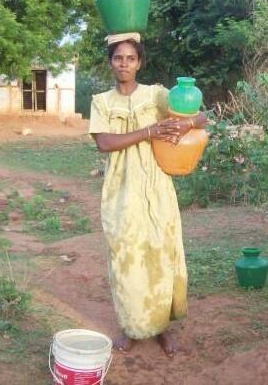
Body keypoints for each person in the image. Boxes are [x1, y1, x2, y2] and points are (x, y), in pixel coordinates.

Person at [88, 32, 207, 357]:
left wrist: (184, 125)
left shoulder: (156, 95)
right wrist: (149, 131)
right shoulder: (102, 101)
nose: (123, 64)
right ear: (111, 62)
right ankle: (130, 327)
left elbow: (201, 117)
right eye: (118, 58)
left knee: (160, 252)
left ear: (139, 63)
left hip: (156, 185)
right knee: (125, 256)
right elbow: (104, 143)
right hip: (120, 189)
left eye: (130, 58)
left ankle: (162, 328)